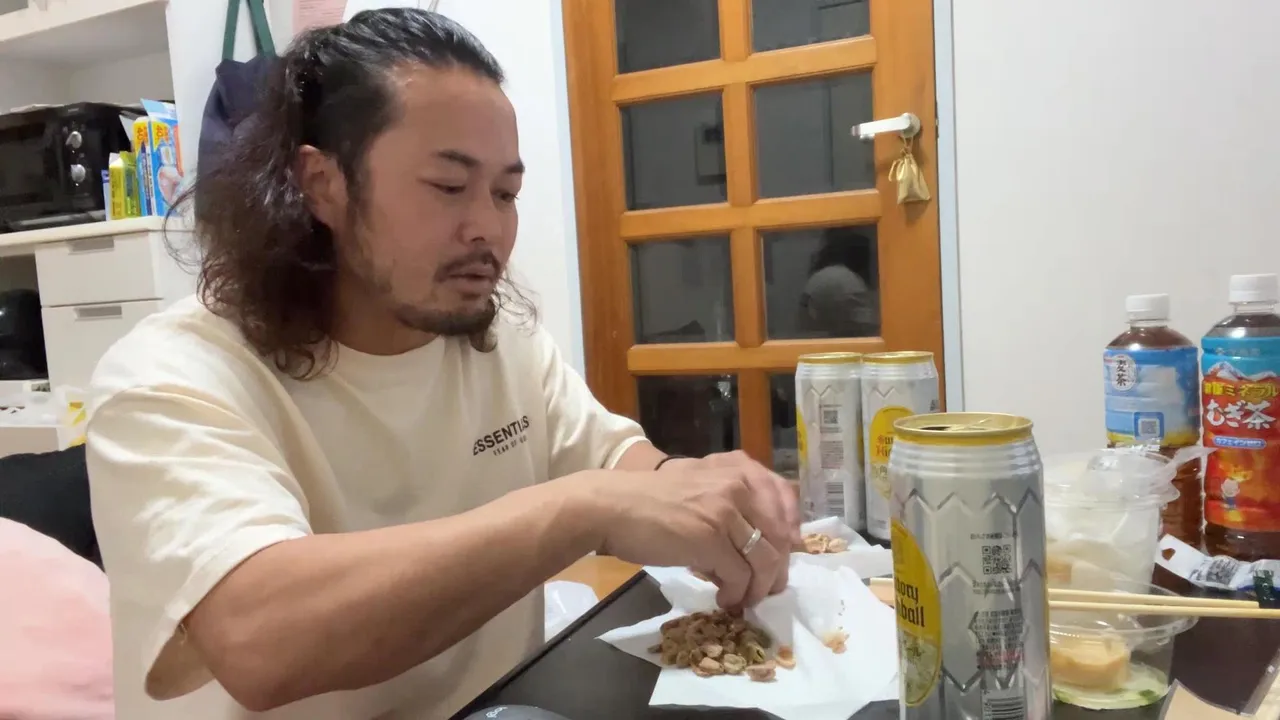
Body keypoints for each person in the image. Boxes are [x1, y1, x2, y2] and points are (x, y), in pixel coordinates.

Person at [85, 9, 799, 720]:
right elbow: (259, 638)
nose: (488, 228)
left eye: (505, 194)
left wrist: (695, 488)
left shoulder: (496, 341)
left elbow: (615, 462)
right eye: (449, 186)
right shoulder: (171, 376)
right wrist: (586, 509)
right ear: (323, 184)